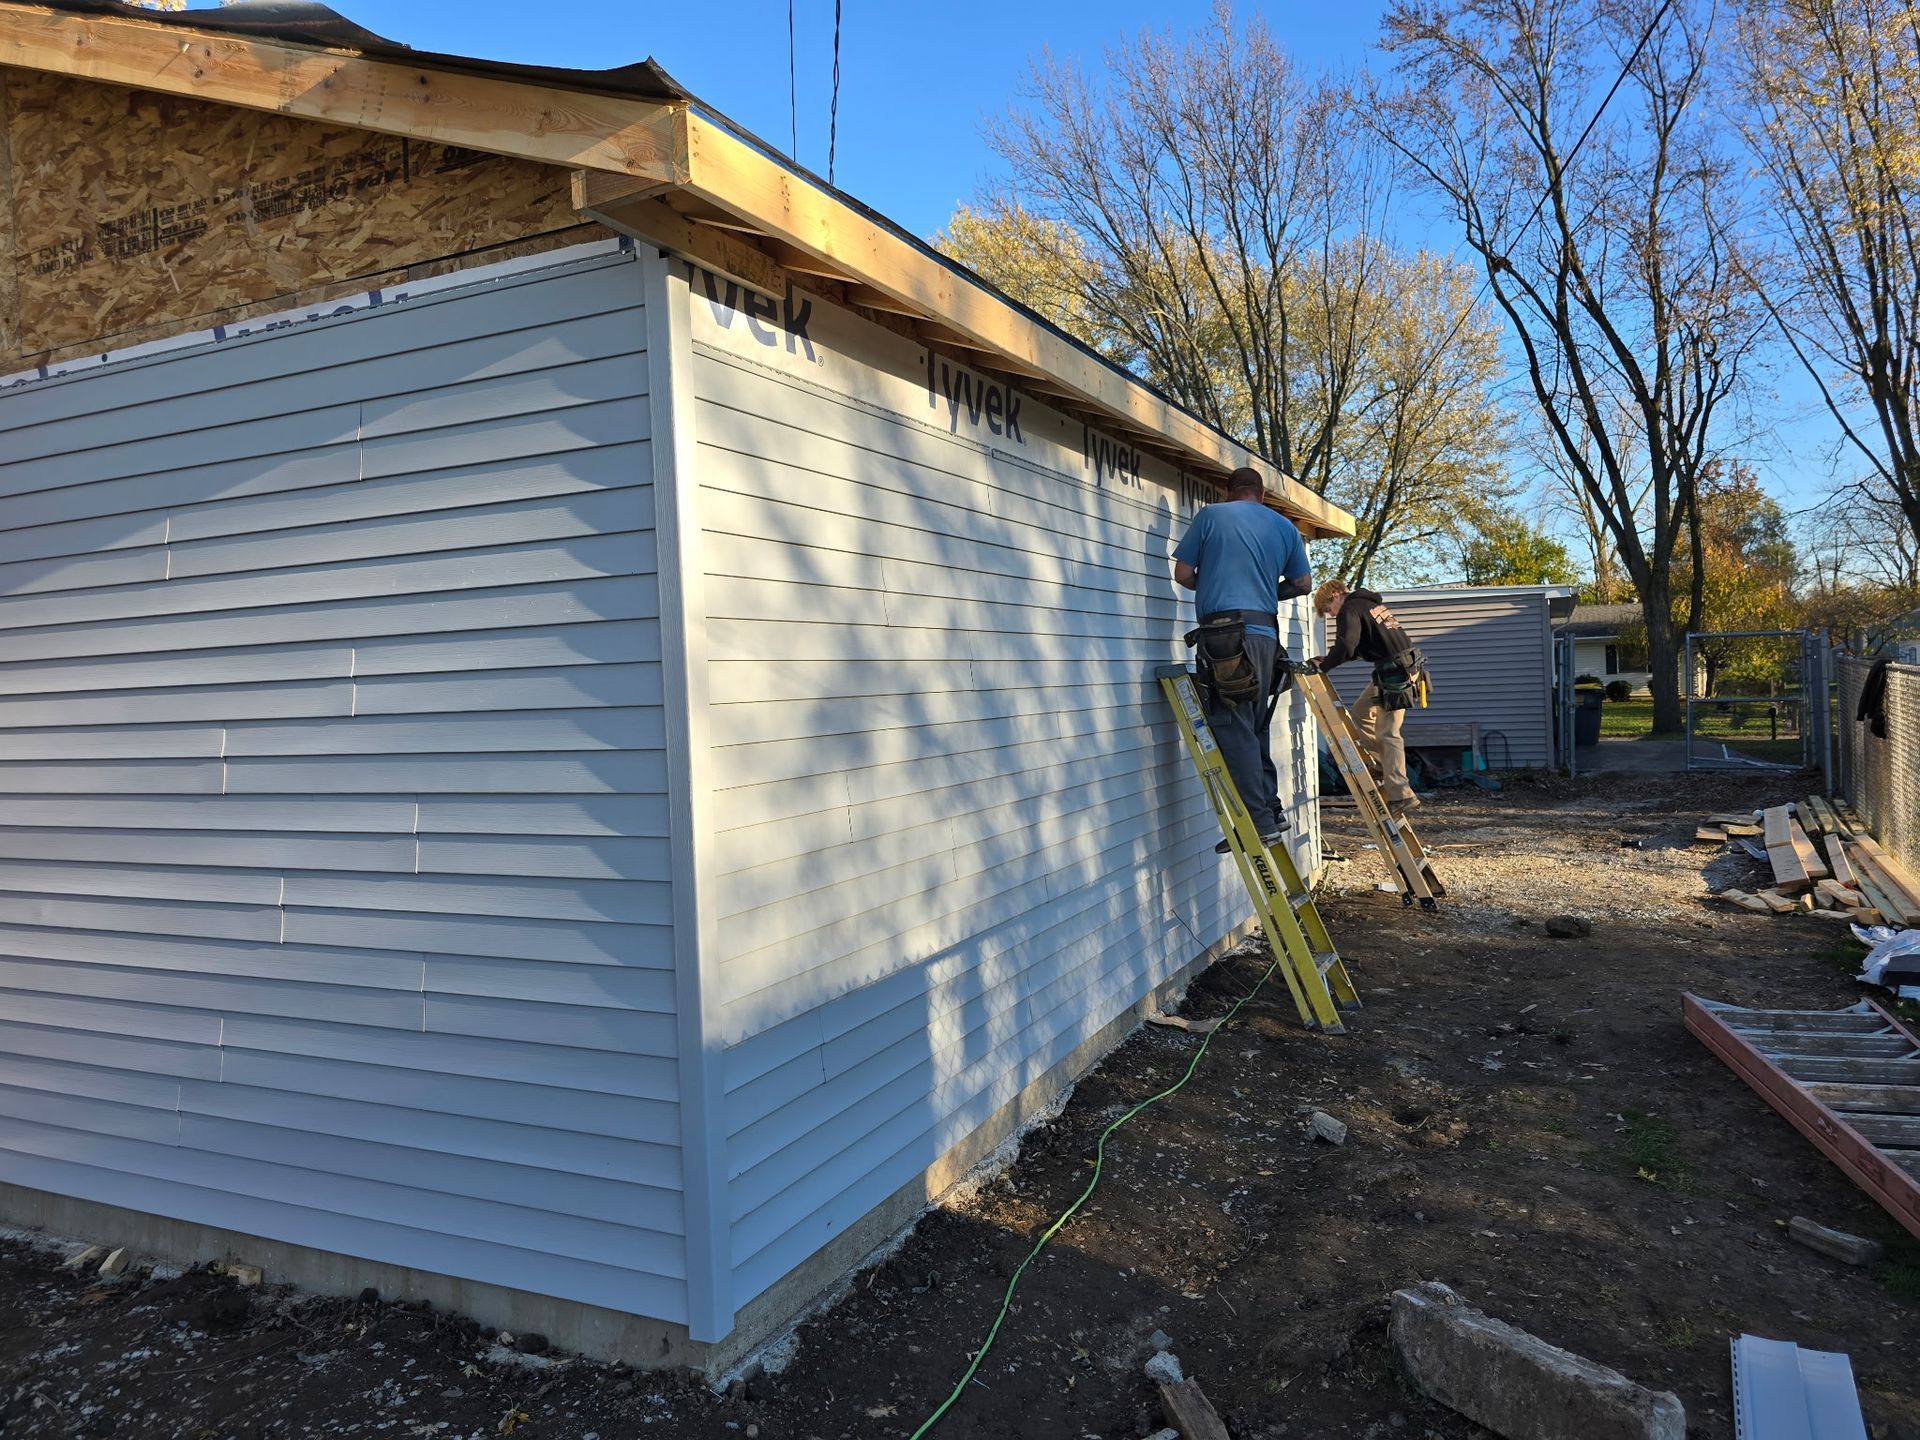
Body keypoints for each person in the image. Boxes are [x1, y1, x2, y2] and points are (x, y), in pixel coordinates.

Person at [1172, 466, 1313, 849]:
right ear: (1262, 495)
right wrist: (1267, 588)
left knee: (1232, 725)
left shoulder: (1210, 516)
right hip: (1266, 636)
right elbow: (1303, 584)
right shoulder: (1284, 527)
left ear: (1228, 490)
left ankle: (1259, 822)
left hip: (1224, 638)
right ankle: (1271, 807)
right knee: (1254, 722)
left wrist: (1213, 578)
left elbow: (1183, 574)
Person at [1309, 579, 1426, 810]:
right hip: (1392, 670)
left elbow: (1346, 645)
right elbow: (1358, 645)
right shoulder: (1366, 605)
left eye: (1328, 609)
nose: (1331, 615)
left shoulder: (1350, 608)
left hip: (1396, 674)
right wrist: (1329, 658)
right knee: (1360, 715)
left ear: (1334, 595)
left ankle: (1402, 795)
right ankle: (1383, 763)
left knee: (1388, 734)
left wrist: (1323, 666)